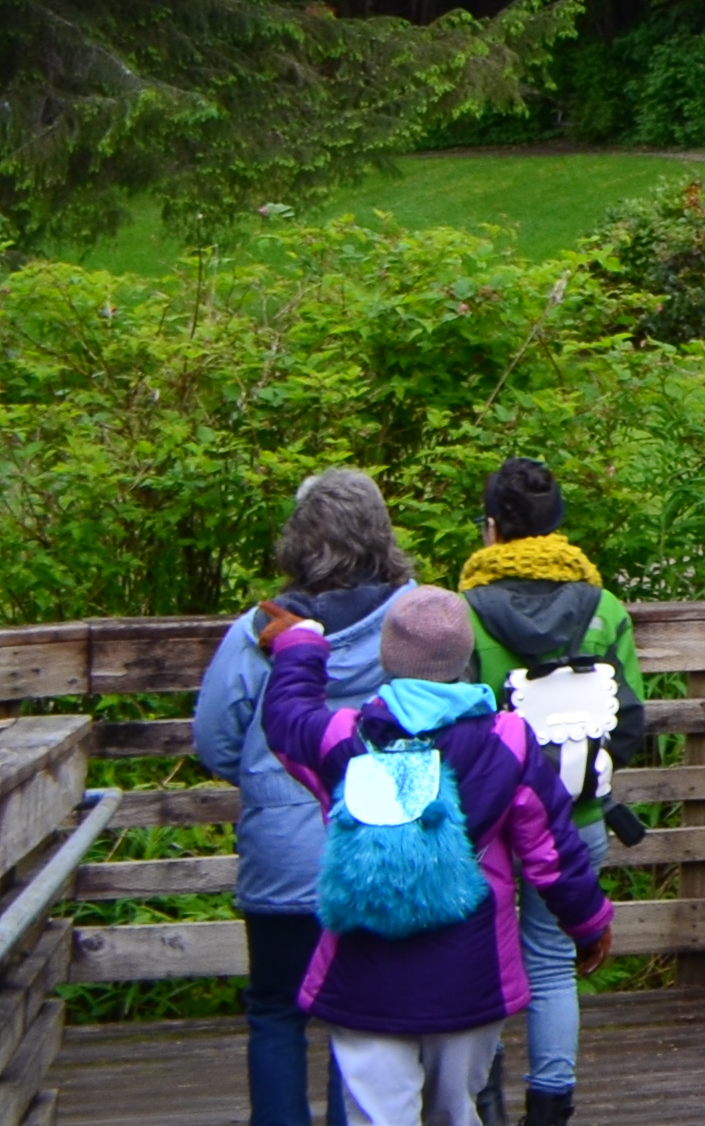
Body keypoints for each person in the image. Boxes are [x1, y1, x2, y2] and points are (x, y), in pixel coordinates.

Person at [252, 586, 610, 1126]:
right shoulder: (507, 740)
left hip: (362, 975)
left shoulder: (343, 739)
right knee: (456, 1112)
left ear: (386, 656)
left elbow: (285, 717)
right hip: (471, 973)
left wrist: (301, 643)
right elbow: (551, 851)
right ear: (464, 655)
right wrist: (587, 923)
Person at [189, 471, 413, 1126]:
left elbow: (215, 740)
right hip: (380, 847)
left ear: (299, 540)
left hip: (282, 851)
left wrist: (272, 783)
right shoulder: (414, 619)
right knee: (361, 1016)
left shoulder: (261, 630)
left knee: (275, 1011)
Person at [457, 458, 646, 1126]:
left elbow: (453, 726)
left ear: (492, 528)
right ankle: (550, 1108)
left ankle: (481, 1105)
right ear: (558, 524)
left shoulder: (463, 615)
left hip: (485, 828)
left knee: (478, 960)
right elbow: (630, 721)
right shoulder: (605, 610)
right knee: (551, 962)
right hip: (576, 819)